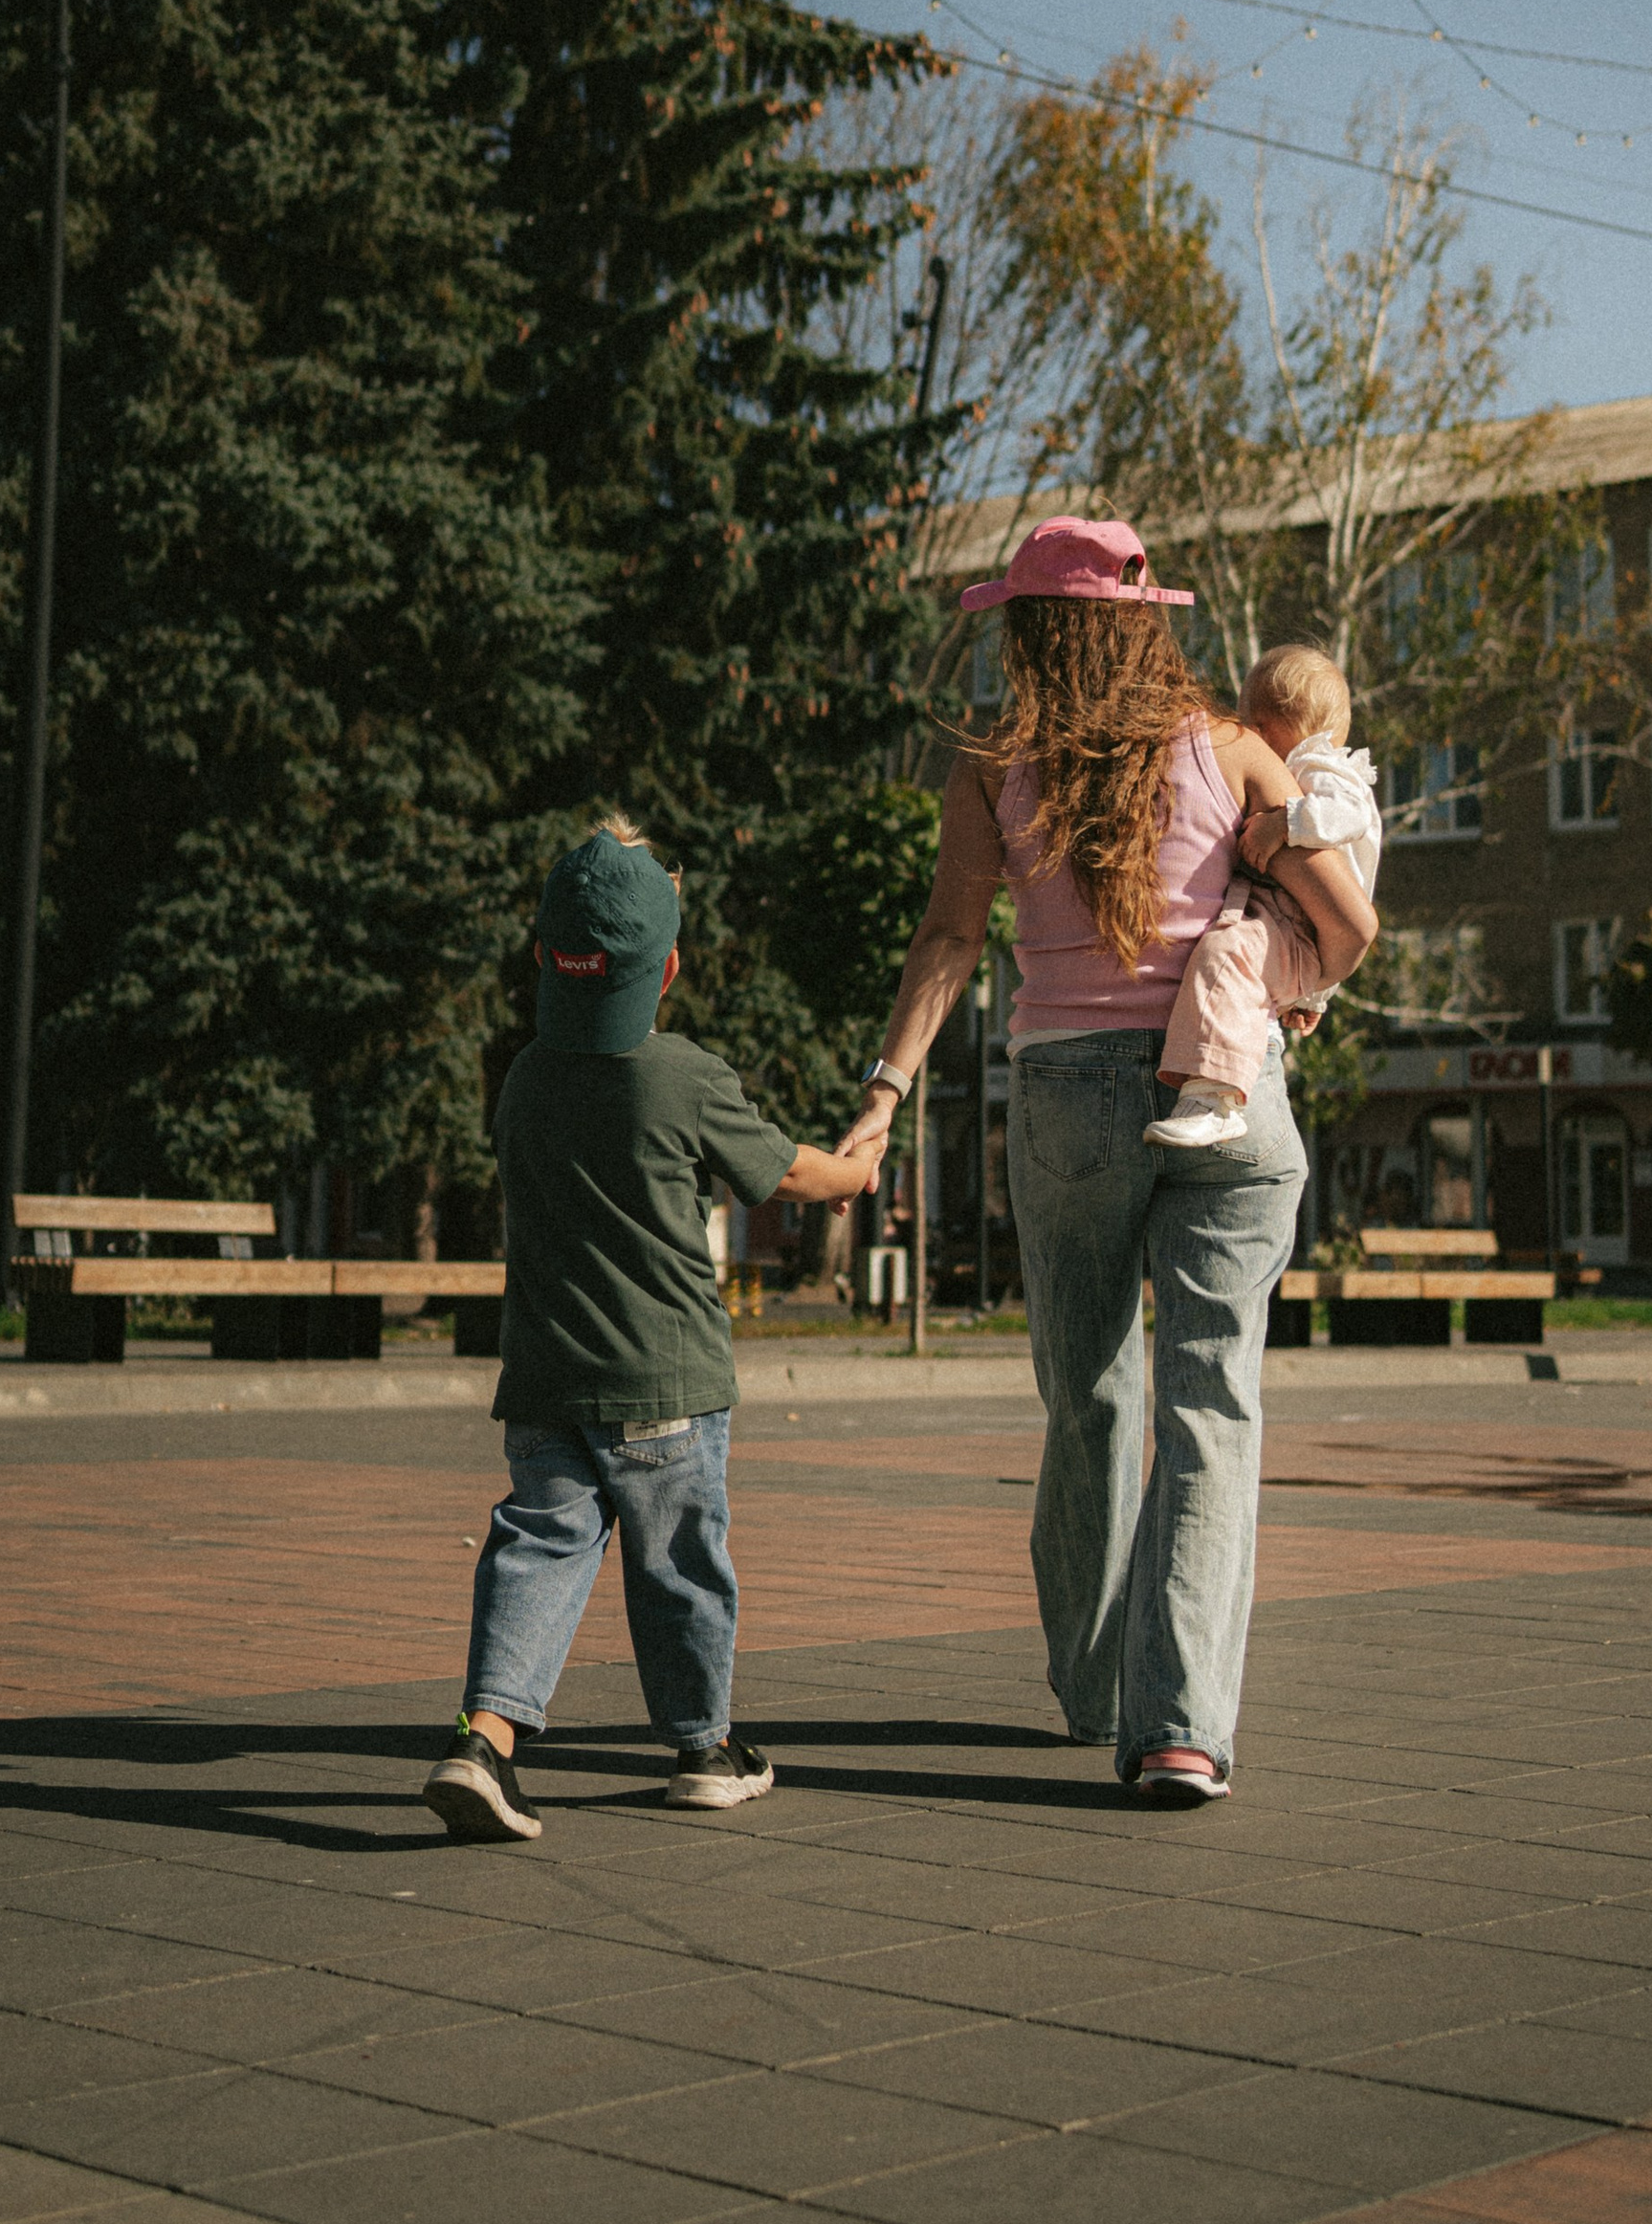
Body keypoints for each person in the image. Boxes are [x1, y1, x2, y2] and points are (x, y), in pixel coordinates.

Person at [843, 518, 1377, 1804]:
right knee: (1213, 1407)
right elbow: (1351, 923)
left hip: (1070, 1099)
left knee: (1089, 1395)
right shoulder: (1237, 750)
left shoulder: (994, 765)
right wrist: (1297, 989)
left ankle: (1093, 1689)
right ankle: (1178, 1727)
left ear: (1030, 634)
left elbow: (949, 938)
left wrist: (885, 1093)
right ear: (1148, 626)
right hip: (1227, 1098)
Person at [425, 817, 884, 1844]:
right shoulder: (682, 1074)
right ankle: (702, 1749)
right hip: (664, 1378)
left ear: (545, 958)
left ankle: (484, 1741)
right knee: (678, 1558)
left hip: (546, 1375)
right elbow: (786, 1171)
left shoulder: (525, 1076)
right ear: (666, 967)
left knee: (538, 1545)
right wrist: (857, 1170)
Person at [1146, 643, 1380, 1153]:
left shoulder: (1323, 768)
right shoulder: (1306, 767)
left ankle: (1215, 1101)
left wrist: (1283, 824)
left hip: (1297, 932)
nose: (1247, 736)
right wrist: (1313, 998)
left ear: (1272, 727)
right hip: (1293, 929)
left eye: (1253, 725)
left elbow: (1350, 815)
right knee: (1231, 954)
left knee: (1227, 954)